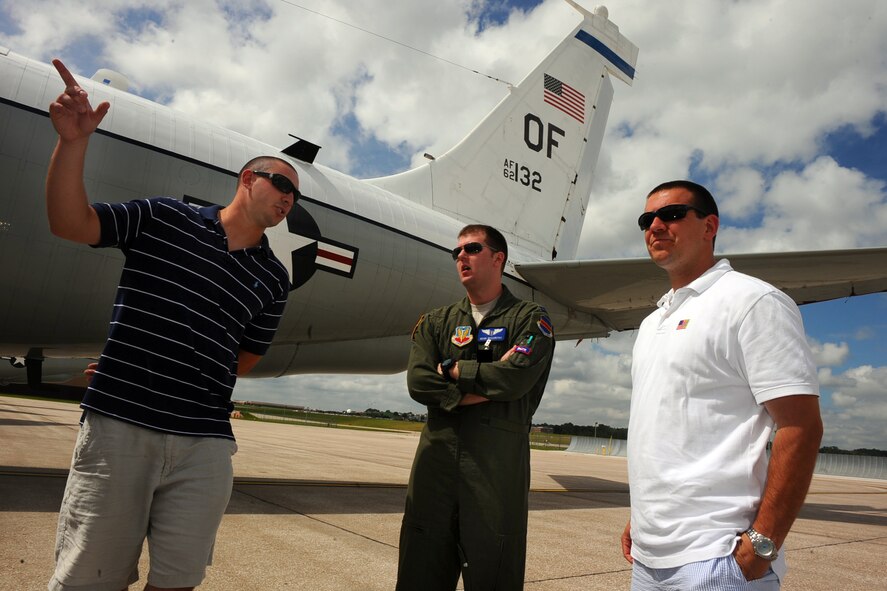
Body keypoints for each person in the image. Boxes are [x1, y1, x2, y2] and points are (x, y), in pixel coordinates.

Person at [46, 59, 298, 591]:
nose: (288, 199)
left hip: (204, 442)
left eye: (295, 196)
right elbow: (72, 224)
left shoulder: (274, 277)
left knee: (179, 582)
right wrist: (72, 143)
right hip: (120, 427)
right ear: (247, 179)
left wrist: (185, 368)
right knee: (87, 578)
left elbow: (247, 355)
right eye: (281, 184)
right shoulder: (165, 218)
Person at [621, 180, 823, 590]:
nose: (656, 225)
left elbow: (801, 426)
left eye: (673, 214)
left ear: (710, 226)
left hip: (717, 561)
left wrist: (760, 547)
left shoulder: (752, 302)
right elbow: (668, 429)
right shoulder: (651, 321)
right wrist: (643, 519)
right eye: (647, 219)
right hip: (647, 557)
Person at [396, 224, 556, 591]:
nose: (461, 257)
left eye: (471, 249)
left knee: (493, 573)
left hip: (495, 471)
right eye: (457, 253)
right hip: (435, 468)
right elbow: (418, 382)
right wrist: (485, 386)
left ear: (498, 258)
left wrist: (454, 370)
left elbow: (517, 378)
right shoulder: (436, 322)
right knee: (419, 572)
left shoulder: (529, 319)